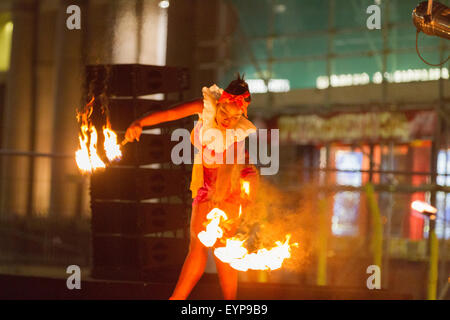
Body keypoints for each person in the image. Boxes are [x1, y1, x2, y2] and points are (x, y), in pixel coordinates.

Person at [124, 74, 259, 300]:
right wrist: (140, 123)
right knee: (197, 245)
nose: (227, 119)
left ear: (241, 116)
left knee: (222, 249)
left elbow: (229, 169)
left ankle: (229, 304)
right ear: (219, 103)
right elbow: (169, 113)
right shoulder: (204, 106)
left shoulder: (236, 136)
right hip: (207, 180)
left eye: (235, 117)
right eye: (224, 111)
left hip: (232, 182)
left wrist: (219, 197)